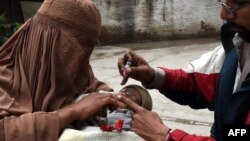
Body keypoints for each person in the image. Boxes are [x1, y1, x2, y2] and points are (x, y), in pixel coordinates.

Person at [117, 0, 250, 141]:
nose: (223, 14)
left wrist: (166, 136)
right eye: (223, 3)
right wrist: (153, 76)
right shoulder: (240, 44)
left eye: (237, 4)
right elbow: (203, 82)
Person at [0, 0, 120, 141]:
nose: (75, 62)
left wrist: (129, 96)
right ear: (43, 40)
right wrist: (72, 112)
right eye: (68, 50)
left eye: (84, 54)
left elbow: (91, 86)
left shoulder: (74, 69)